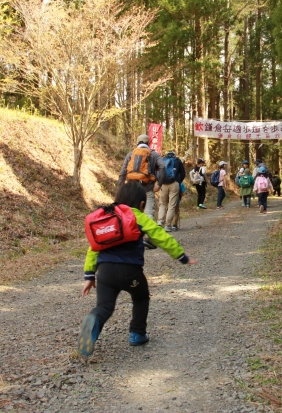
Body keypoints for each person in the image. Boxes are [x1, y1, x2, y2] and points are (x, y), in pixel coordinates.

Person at [77, 181, 199, 357]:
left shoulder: (106, 218)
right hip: (130, 273)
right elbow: (159, 236)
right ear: (142, 205)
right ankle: (137, 334)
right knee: (141, 297)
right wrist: (181, 256)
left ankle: (94, 319)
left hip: (105, 273)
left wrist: (89, 275)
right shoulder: (135, 215)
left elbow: (93, 247)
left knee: (104, 306)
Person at [118, 134, 164, 221]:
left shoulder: (131, 154)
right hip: (148, 188)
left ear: (137, 143)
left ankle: (134, 233)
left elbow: (123, 172)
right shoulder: (154, 154)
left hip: (132, 189)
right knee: (149, 214)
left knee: (132, 213)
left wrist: (121, 187)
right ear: (148, 143)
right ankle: (149, 232)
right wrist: (159, 184)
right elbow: (163, 167)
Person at [157, 151, 185, 232]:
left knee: (162, 204)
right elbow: (183, 173)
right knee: (171, 205)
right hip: (174, 184)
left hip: (163, 184)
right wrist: (178, 181)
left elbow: (158, 172)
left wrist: (160, 182)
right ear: (174, 155)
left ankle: (160, 221)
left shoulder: (162, 160)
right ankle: (168, 225)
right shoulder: (177, 160)